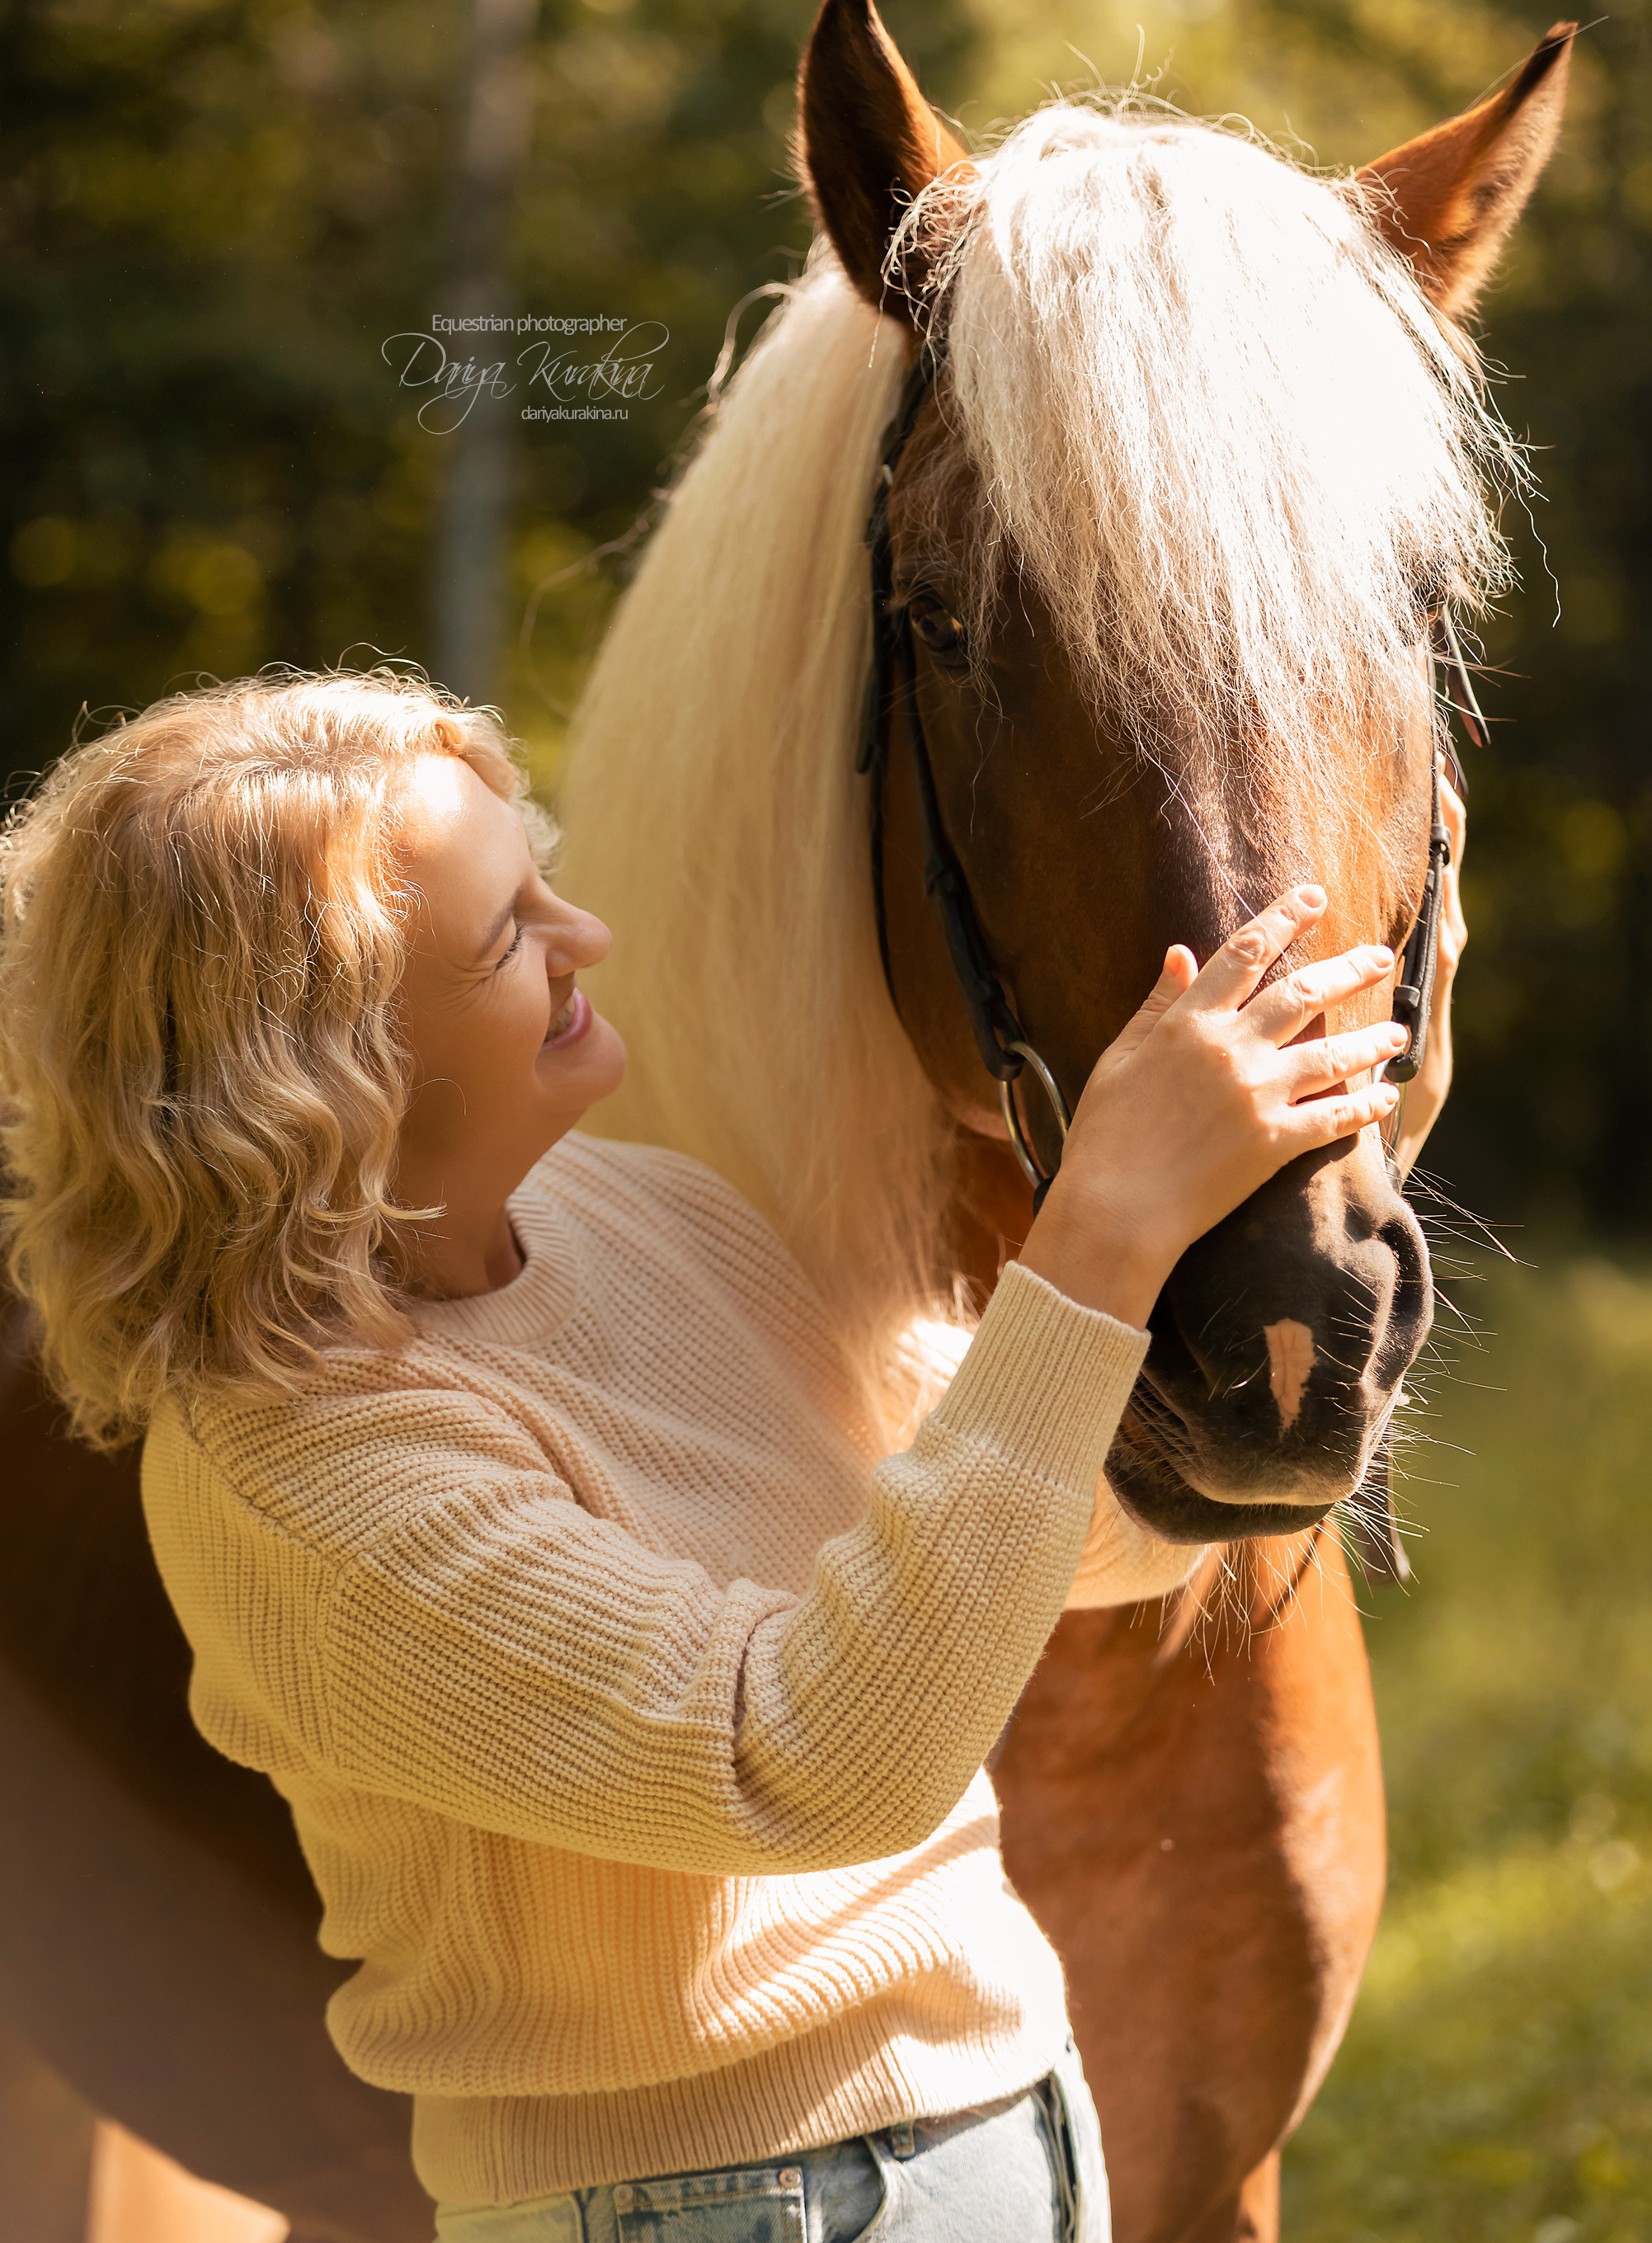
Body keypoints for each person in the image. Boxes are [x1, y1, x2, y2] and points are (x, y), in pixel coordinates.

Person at [0, 670, 1419, 2243]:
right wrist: (1100, 1230)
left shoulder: (637, 1216)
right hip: (713, 2208)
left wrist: (1300, 1216)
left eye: (540, 874)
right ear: (324, 1074)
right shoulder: (303, 1482)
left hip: (1004, 2133)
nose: (582, 938)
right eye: (503, 936)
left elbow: (1043, 1528)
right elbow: (803, 1763)